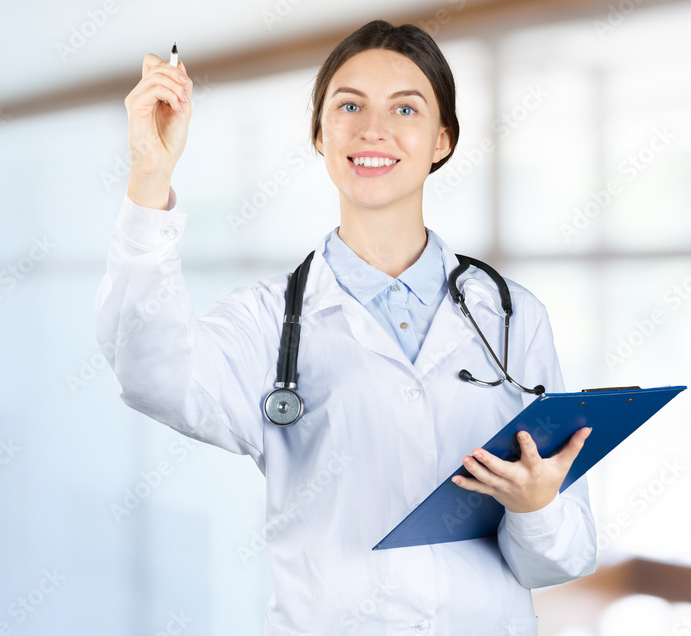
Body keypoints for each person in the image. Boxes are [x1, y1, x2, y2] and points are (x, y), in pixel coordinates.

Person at [94, 20, 596, 636]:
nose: (372, 129)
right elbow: (149, 372)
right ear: (319, 134)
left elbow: (562, 559)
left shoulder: (513, 316)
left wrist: (536, 506)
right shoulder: (267, 321)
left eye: (405, 108)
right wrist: (149, 181)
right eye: (349, 104)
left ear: (442, 139)